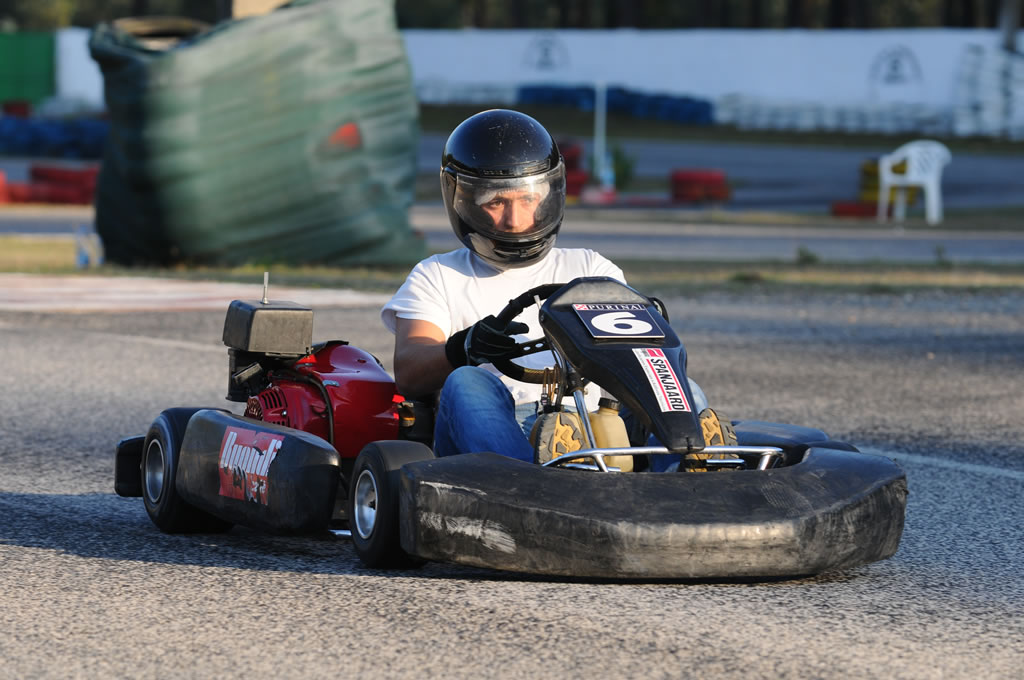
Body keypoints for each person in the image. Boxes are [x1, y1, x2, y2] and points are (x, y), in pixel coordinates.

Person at [380, 109, 715, 465]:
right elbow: (410, 373)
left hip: (597, 425)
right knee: (466, 382)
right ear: (463, 202)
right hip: (500, 424)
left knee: (684, 392)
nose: (515, 220)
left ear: (548, 194)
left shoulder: (591, 268)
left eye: (527, 199)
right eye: (496, 202)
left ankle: (687, 483)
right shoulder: (437, 275)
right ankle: (529, 483)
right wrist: (464, 347)